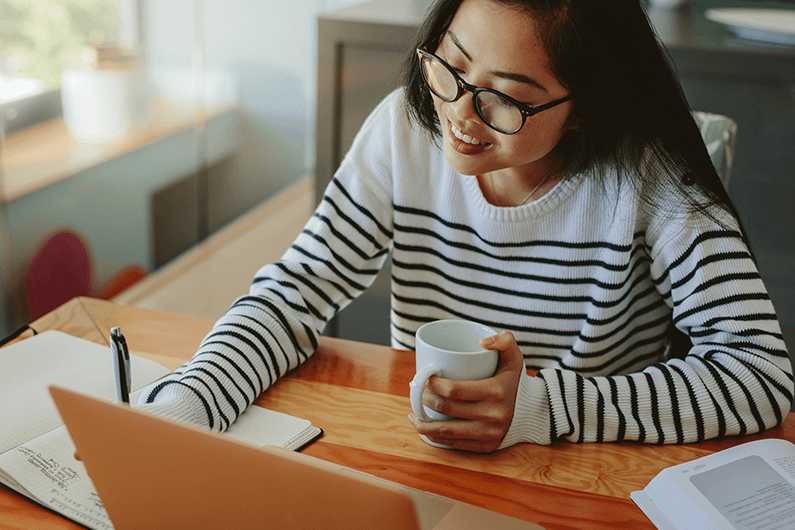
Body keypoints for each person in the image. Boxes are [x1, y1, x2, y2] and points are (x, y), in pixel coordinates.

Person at [138, 0, 793, 452]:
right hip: (429, 458)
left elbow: (761, 374)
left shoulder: (647, 177)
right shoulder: (403, 128)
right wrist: (190, 403)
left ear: (587, 106)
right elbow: (295, 292)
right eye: (450, 66)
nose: (459, 113)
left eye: (505, 98)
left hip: (581, 474)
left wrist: (540, 410)